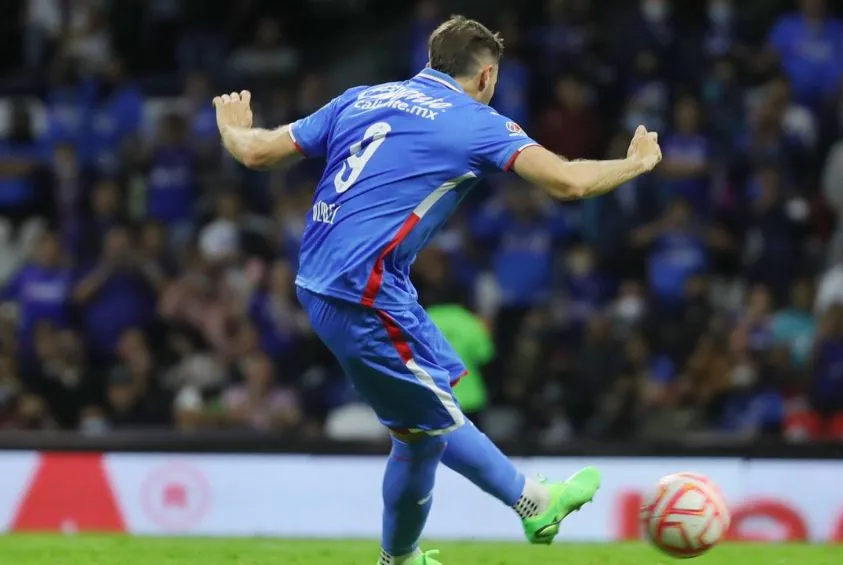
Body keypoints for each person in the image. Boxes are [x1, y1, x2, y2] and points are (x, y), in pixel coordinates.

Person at [212, 15, 663, 565]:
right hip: (362, 290)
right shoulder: (477, 121)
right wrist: (636, 163)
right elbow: (568, 182)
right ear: (487, 76)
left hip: (341, 280)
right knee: (435, 416)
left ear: (431, 58)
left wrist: (233, 128)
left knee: (418, 436)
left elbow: (256, 152)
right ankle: (534, 503)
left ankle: (398, 560)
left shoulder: (363, 97)